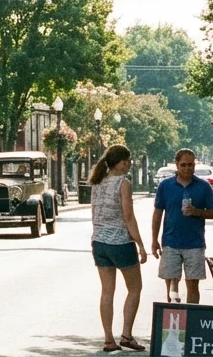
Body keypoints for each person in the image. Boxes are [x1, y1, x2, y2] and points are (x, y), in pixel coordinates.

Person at [90, 144, 147, 353]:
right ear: (121, 162)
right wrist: (140, 244)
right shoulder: (123, 183)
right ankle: (126, 335)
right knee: (134, 288)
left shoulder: (97, 182)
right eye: (128, 160)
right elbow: (128, 216)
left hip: (99, 242)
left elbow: (95, 212)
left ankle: (108, 339)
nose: (130, 164)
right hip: (120, 242)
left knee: (107, 292)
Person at [151, 148, 213, 304]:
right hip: (171, 242)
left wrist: (197, 211)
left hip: (194, 243)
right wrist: (154, 240)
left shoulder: (203, 186)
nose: (188, 168)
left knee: (193, 284)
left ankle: (191, 318)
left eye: (191, 165)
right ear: (177, 165)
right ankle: (172, 320)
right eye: (184, 165)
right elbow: (157, 214)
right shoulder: (166, 186)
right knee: (172, 284)